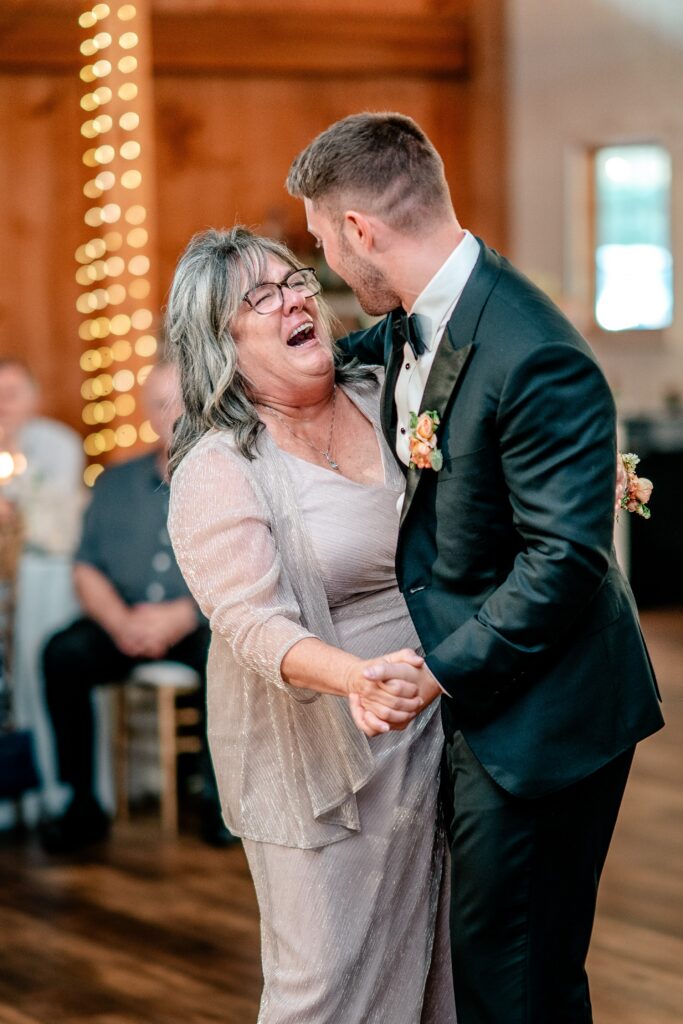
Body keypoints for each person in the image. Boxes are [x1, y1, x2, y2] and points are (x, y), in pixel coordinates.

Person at [286, 112, 665, 1024]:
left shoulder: (533, 353)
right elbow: (352, 365)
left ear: (360, 231)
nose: (330, 271)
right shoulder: (412, 323)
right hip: (492, 700)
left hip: (548, 717)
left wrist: (437, 672)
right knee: (491, 969)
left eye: (322, 245)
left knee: (515, 981)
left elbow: (565, 561)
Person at [164, 227, 456, 1023]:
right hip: (320, 746)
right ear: (217, 343)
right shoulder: (218, 469)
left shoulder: (383, 392)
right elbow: (250, 624)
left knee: (442, 962)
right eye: (258, 298)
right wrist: (355, 678)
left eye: (293, 280)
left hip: (438, 711)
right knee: (323, 981)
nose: (293, 298)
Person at [40, 362, 233, 853]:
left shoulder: (230, 475)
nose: (172, 413)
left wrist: (183, 614)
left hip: (197, 624)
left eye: (181, 400)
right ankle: (81, 803)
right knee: (62, 653)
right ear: (147, 414)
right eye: (160, 403)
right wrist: (120, 621)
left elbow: (240, 570)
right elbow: (86, 566)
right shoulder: (114, 482)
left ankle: (223, 804)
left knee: (226, 654)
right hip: (122, 622)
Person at [0, 358, 84, 554]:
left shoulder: (60, 445)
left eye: (11, 395)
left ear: (33, 398)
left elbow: (60, 515)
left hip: (46, 560)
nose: (2, 404)